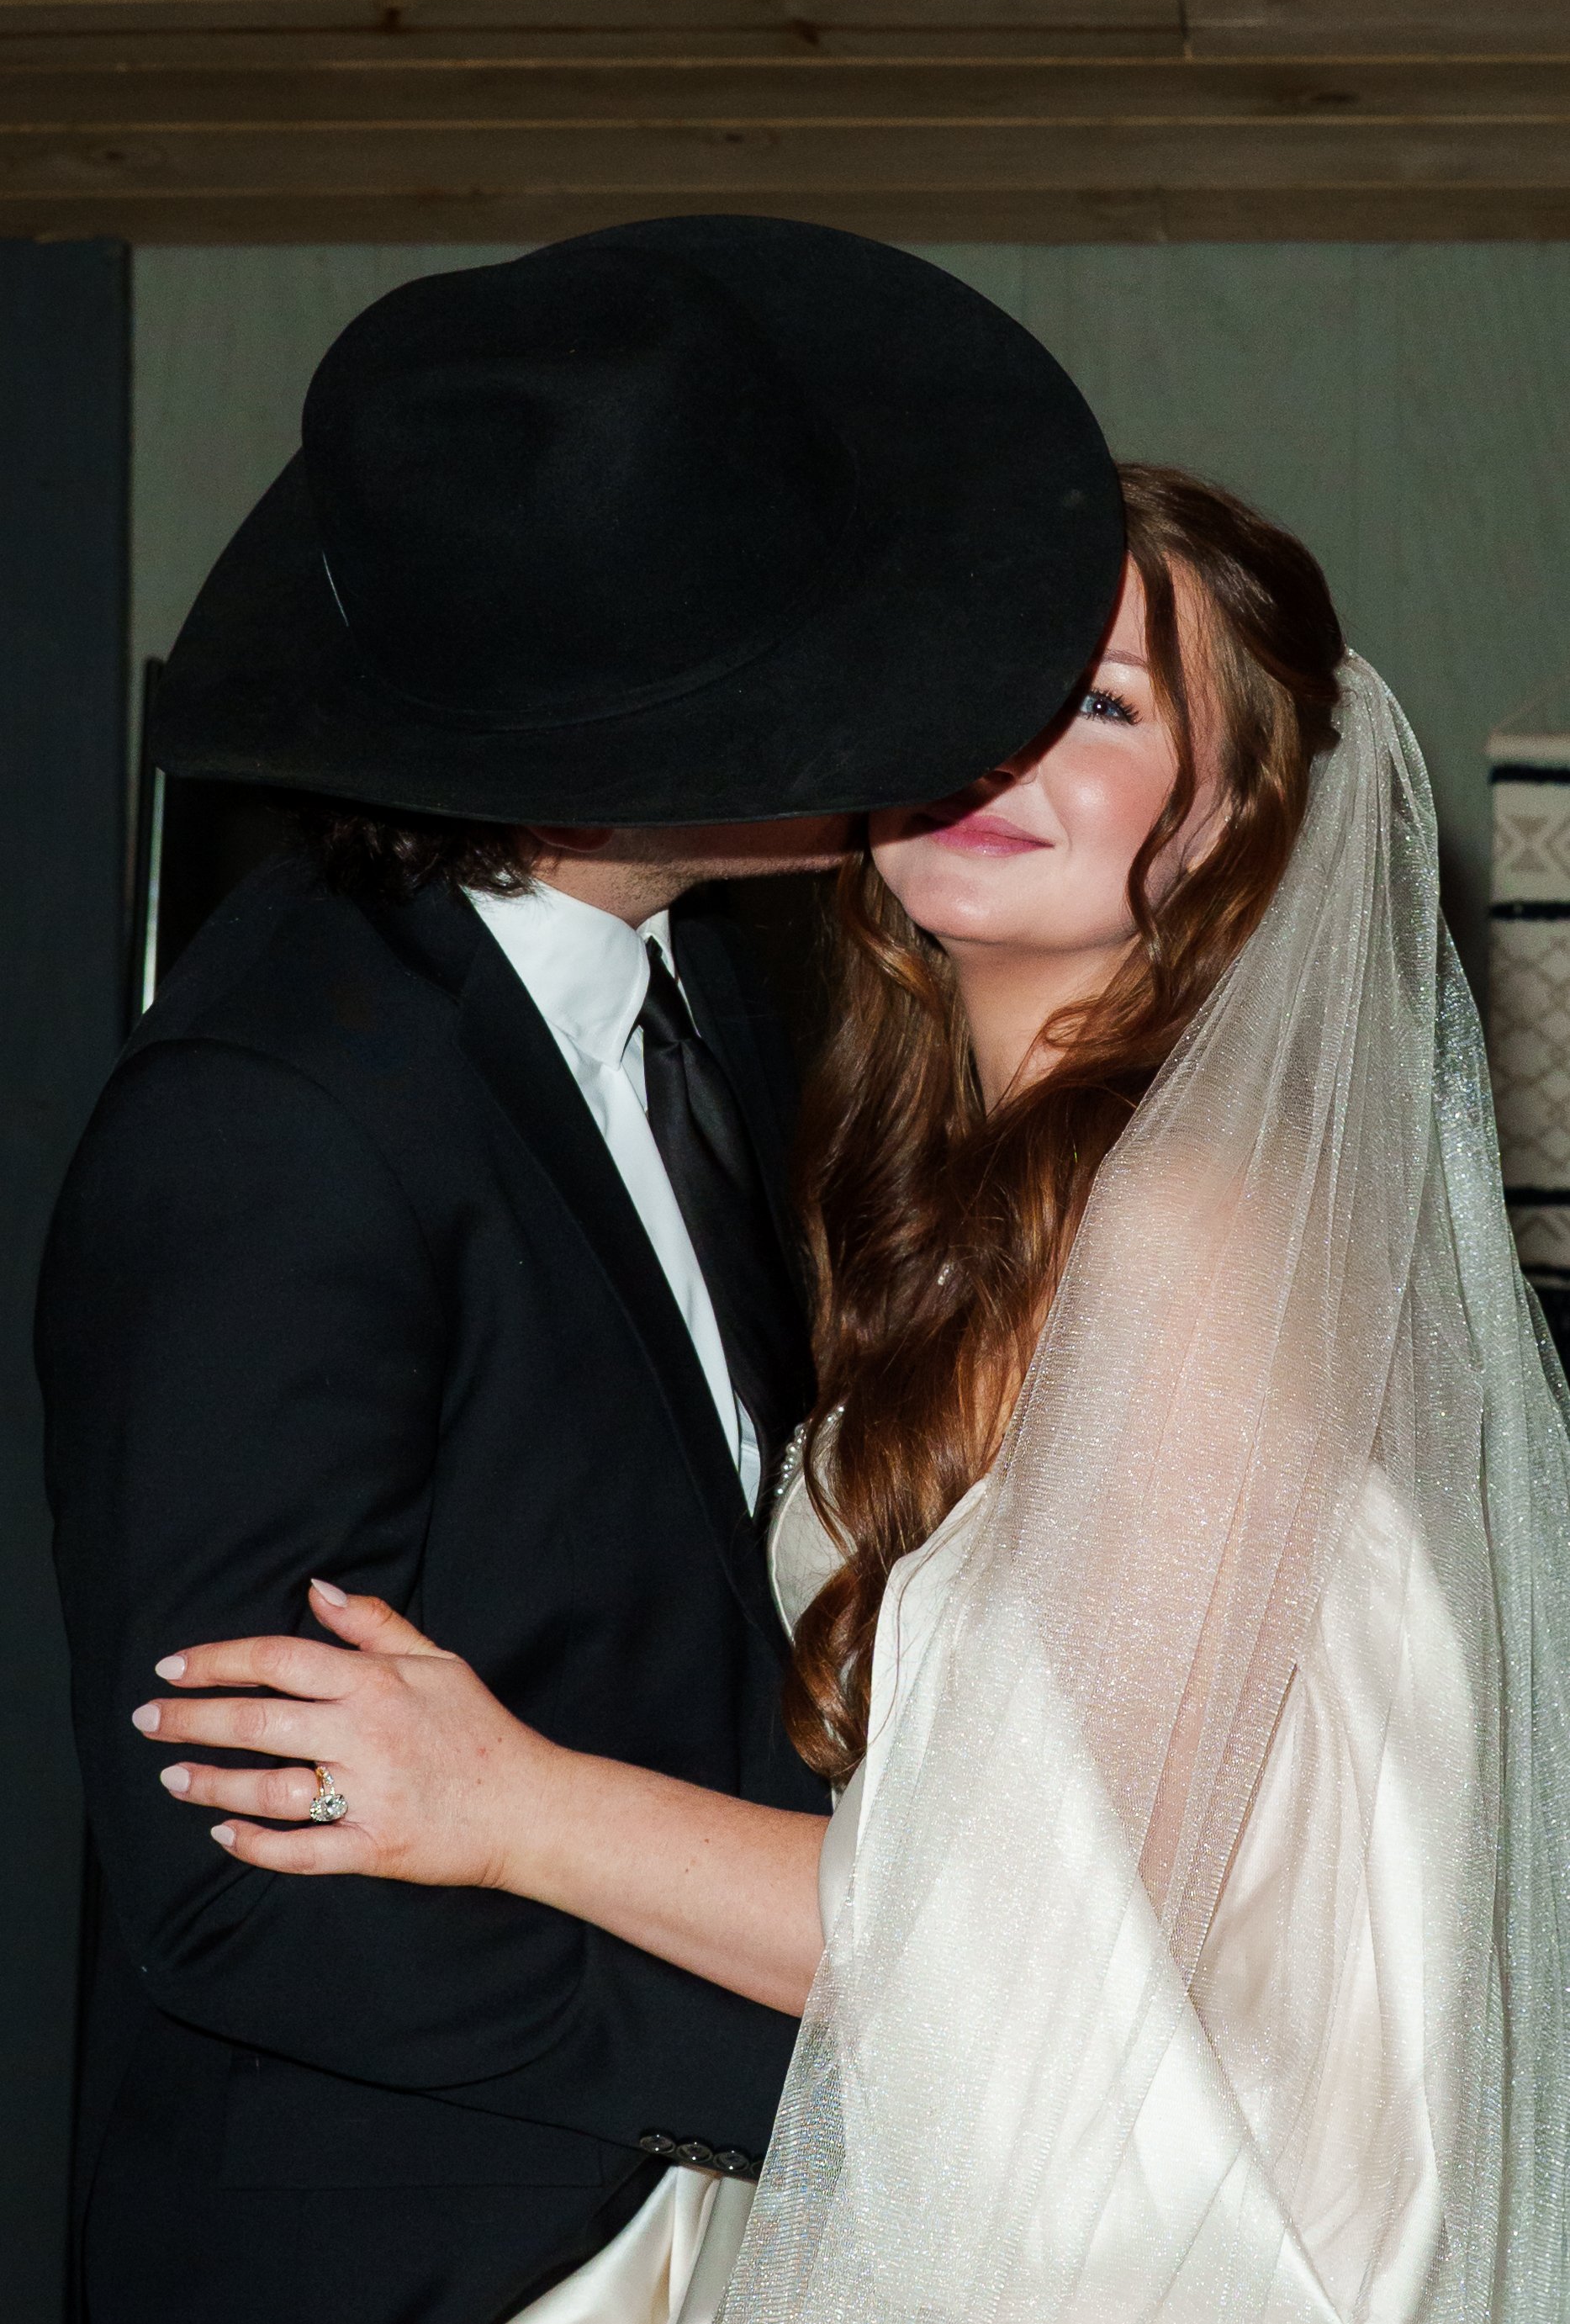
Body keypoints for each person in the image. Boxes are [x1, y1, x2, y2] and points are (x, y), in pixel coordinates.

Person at [124, 463, 1570, 2320]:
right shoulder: (945, 1193)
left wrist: (503, 1800)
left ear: (1227, 825)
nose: (998, 747)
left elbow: (1039, 1942)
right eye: (977, 679)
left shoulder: (1194, 1233)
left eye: (1105, 706)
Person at [36, 218, 1124, 2324]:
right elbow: (230, 1880)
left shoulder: (695, 991)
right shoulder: (277, 1118)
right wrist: (839, 2077)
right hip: (423, 2254)